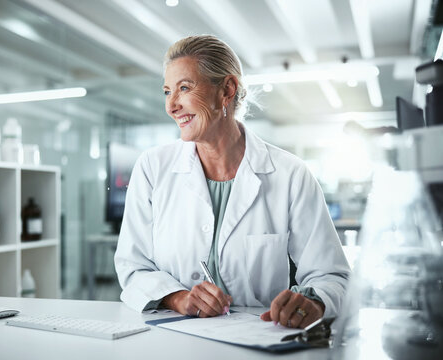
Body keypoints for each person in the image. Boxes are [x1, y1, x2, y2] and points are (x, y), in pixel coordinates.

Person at [114, 35, 351, 328]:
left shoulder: (290, 174)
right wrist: (177, 297)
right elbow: (132, 266)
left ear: (226, 90)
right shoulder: (153, 167)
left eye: (184, 88)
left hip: (260, 341)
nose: (172, 105)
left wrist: (313, 301)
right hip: (173, 341)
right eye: (167, 92)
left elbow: (332, 275)